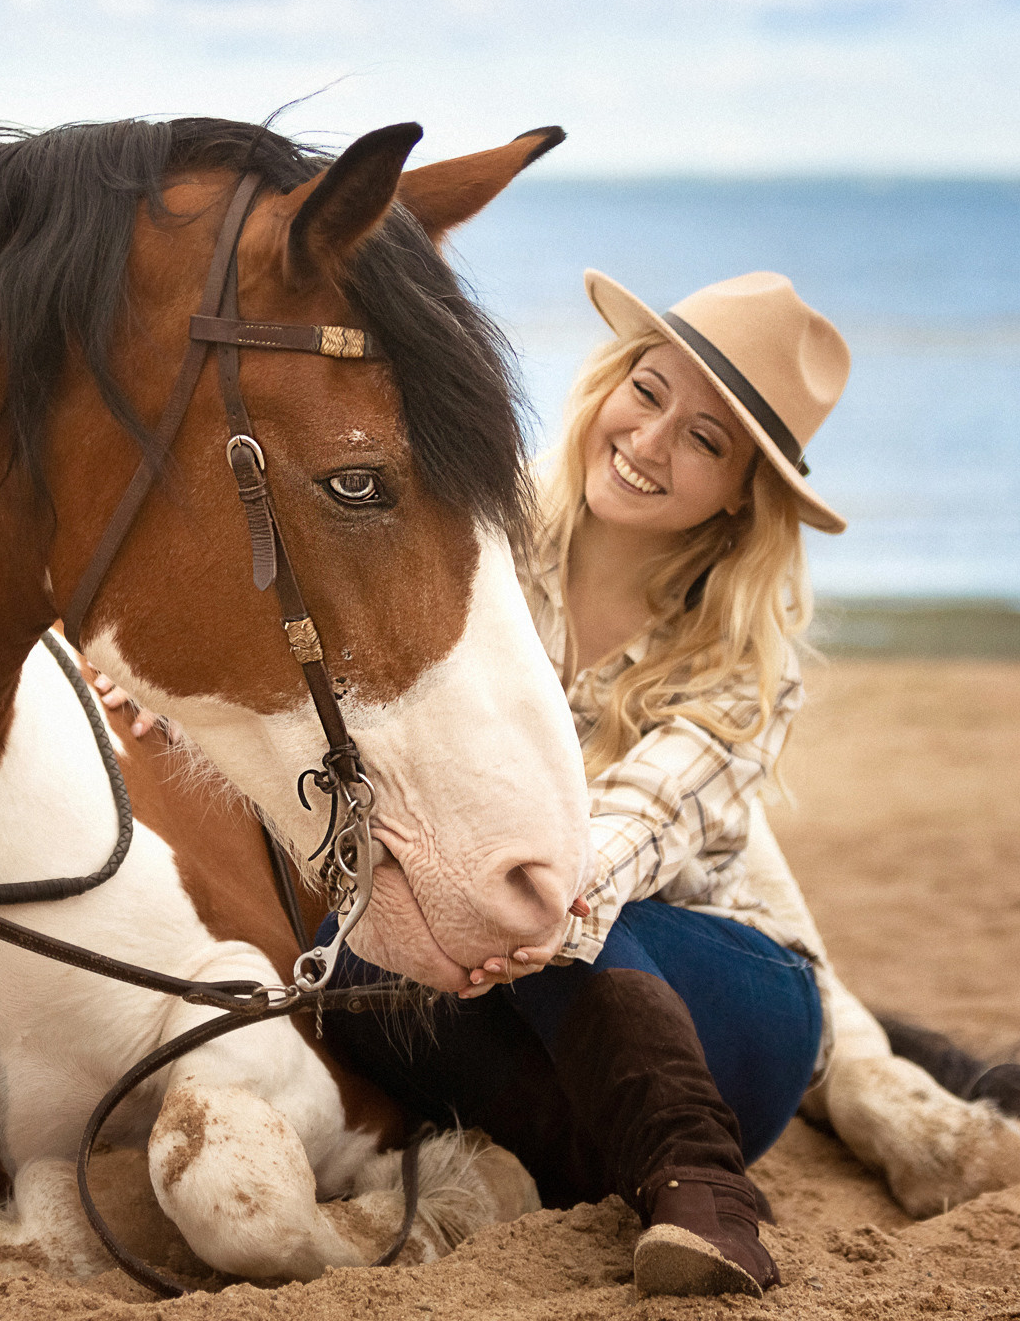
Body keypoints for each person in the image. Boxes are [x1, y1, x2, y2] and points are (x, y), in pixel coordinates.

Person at [97, 269, 852, 1298]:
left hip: (717, 1013)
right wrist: (171, 682)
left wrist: (519, 909)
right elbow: (329, 679)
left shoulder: (743, 668)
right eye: (647, 391)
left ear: (740, 496)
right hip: (507, 1015)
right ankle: (566, 1171)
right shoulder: (471, 541)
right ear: (611, 384)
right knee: (349, 966)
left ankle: (706, 1186)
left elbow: (628, 831)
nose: (649, 440)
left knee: (540, 877)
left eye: (705, 440)